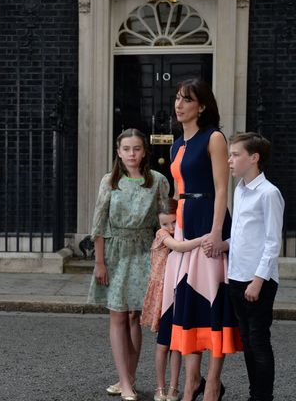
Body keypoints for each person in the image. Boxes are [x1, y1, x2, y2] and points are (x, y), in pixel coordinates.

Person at [157, 78, 241, 401]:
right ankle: (192, 382)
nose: (179, 104)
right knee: (188, 303)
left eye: (186, 100)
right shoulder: (177, 144)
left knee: (212, 301)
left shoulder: (214, 138)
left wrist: (218, 232)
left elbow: (222, 189)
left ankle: (213, 384)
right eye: (177, 98)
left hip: (209, 219)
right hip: (185, 223)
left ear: (202, 106)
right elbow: (178, 193)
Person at [89, 128, 169, 401]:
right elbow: (98, 225)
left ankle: (129, 378)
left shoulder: (157, 180)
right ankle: (124, 382)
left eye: (136, 148)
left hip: (144, 251)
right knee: (118, 315)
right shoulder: (109, 182)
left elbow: (165, 219)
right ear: (118, 152)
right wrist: (99, 262)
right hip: (115, 253)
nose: (132, 154)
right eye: (126, 149)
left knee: (135, 316)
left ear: (144, 151)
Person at [218, 132, 284, 401]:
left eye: (235, 155)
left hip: (257, 281)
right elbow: (244, 233)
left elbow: (272, 242)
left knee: (258, 342)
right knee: (247, 341)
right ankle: (254, 393)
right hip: (237, 276)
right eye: (229, 155)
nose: (229, 161)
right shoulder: (240, 190)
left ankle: (262, 397)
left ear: (253, 158)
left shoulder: (269, 194)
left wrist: (258, 281)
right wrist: (223, 245)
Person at [140, 198, 183, 401]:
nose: (171, 227)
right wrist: (204, 240)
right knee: (163, 343)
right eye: (165, 223)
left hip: (178, 293)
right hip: (164, 297)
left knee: (176, 344)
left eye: (174, 222)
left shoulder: (180, 233)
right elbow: (177, 246)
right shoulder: (163, 235)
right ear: (159, 224)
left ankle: (174, 387)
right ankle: (160, 387)